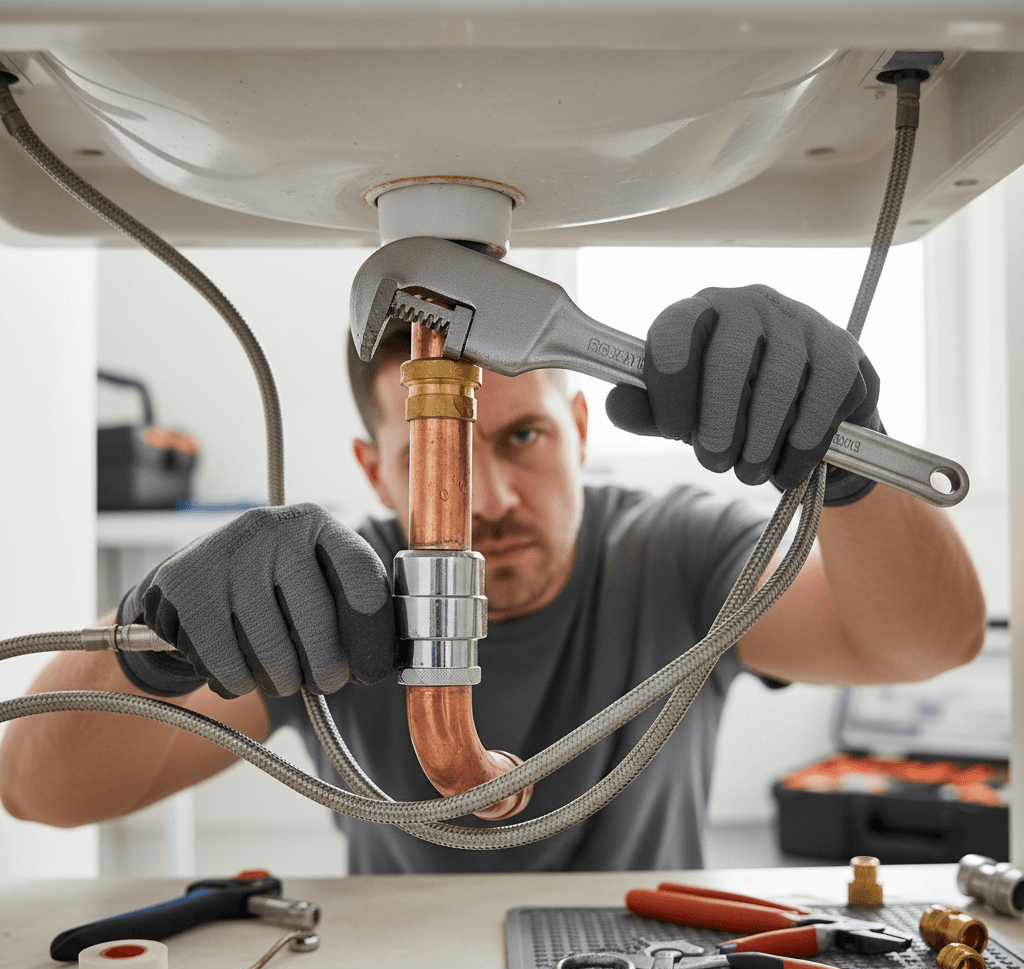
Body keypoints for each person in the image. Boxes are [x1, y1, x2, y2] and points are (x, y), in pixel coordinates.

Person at [0, 286, 986, 872]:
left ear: (582, 434)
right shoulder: (320, 598)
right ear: (371, 466)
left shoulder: (676, 552)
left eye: (523, 435)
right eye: (429, 455)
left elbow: (922, 643)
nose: (489, 498)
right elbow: (37, 791)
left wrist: (853, 463)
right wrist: (155, 645)